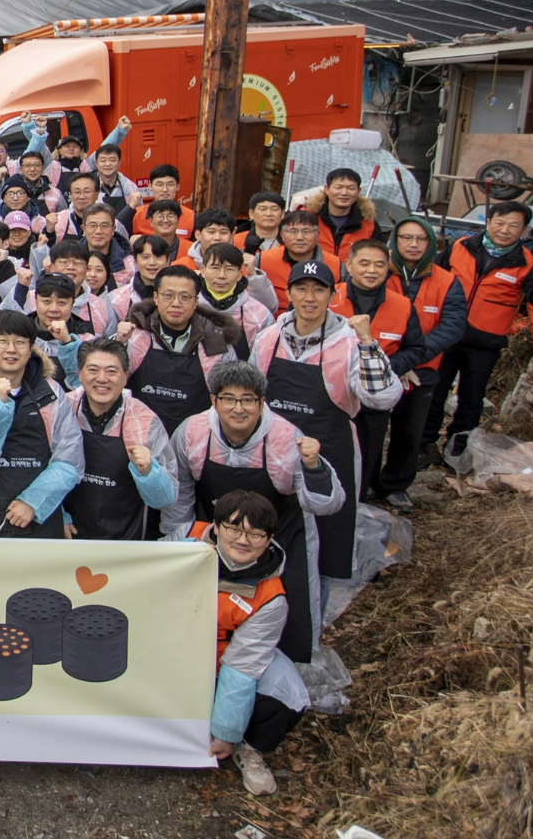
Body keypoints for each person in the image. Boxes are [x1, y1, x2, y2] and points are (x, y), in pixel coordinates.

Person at [164, 361, 343, 663]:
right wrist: (179, 544)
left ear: (262, 402)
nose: (238, 408)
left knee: (289, 615)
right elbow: (179, 493)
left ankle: (283, 675)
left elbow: (325, 504)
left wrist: (314, 468)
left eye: (248, 400)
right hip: (218, 538)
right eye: (229, 399)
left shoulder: (287, 438)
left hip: (282, 536)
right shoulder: (192, 432)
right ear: (214, 400)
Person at [250, 259, 401, 588]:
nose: (309, 297)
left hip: (330, 450)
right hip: (273, 451)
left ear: (333, 295)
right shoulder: (268, 338)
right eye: (301, 288)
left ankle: (314, 623)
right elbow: (251, 395)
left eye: (319, 290)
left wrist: (367, 343)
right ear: (289, 292)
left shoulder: (348, 343)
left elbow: (382, 398)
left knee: (327, 539)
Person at [189, 490, 311, 797]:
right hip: (172, 654)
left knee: (288, 693)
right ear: (216, 526)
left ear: (269, 538)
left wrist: (226, 732)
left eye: (255, 534)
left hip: (223, 663)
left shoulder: (271, 594)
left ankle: (247, 746)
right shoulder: (184, 542)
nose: (243, 540)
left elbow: (243, 664)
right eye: (234, 528)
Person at [421, 200, 533, 460]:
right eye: (499, 222)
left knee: (471, 399)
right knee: (434, 393)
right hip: (446, 334)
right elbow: (431, 278)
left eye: (514, 225)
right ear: (488, 223)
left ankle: (458, 450)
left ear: (524, 230)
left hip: (485, 342)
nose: (505, 230)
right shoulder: (461, 247)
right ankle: (424, 447)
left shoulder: (528, 263)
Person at [0, 309, 84, 538]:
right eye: (2, 341)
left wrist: (33, 502)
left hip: (38, 513)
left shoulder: (51, 393)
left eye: (20, 342)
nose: (11, 349)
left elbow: (70, 460)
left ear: (31, 349)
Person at [331, 238, 429, 513]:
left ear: (389, 269)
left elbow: (415, 349)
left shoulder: (403, 306)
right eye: (364, 263)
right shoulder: (329, 297)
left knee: (367, 453)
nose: (371, 270)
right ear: (349, 265)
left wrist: (382, 368)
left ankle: (357, 507)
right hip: (333, 393)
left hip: (374, 399)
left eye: (379, 265)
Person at [377, 215, 466, 504]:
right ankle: (365, 482)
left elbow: (452, 326)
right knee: (371, 430)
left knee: (409, 431)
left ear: (430, 243)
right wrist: (392, 361)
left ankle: (395, 485)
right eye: (406, 238)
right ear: (395, 241)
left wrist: (412, 357)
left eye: (420, 239)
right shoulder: (378, 272)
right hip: (377, 366)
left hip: (422, 369)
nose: (413, 244)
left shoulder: (447, 281)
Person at [62, 337, 175, 540]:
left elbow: (164, 499)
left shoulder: (144, 420)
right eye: (93, 370)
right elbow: (41, 471)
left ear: (125, 377)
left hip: (124, 541)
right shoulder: (63, 409)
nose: (102, 378)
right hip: (67, 535)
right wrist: (59, 517)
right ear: (80, 374)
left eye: (112, 371)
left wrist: (149, 472)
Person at [114, 265, 243, 437]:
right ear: (156, 297)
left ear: (196, 301)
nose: (176, 303)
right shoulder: (134, 335)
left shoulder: (216, 343)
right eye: (168, 295)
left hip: (195, 437)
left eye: (185, 297)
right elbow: (111, 381)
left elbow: (229, 396)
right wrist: (118, 345)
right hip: (137, 433)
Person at [259, 210, 344, 312]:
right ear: (282, 234)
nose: (299, 237)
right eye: (293, 231)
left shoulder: (337, 265)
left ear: (317, 234)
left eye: (306, 231)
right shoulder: (262, 260)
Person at [299, 167, 383, 261]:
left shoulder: (369, 225)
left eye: (351, 188)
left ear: (358, 191)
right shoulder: (305, 218)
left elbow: (378, 258)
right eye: (338, 187)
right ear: (327, 189)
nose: (344, 193)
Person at [129, 164, 193, 242]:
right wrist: (130, 206)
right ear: (150, 186)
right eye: (159, 185)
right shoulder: (136, 215)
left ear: (178, 186)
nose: (165, 189)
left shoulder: (191, 216)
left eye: (170, 184)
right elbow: (117, 229)